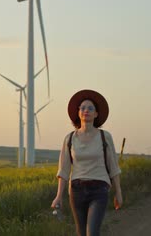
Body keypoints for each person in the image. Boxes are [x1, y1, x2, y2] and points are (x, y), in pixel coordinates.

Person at [51, 89, 123, 236]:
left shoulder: (104, 136)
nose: (86, 111)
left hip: (99, 189)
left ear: (96, 114)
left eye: (90, 108)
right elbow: (63, 170)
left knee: (92, 232)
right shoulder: (70, 138)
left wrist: (118, 193)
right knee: (81, 233)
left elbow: (113, 167)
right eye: (82, 108)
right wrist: (59, 195)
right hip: (76, 190)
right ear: (78, 113)